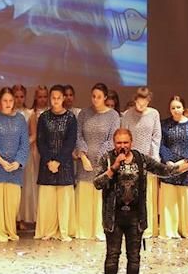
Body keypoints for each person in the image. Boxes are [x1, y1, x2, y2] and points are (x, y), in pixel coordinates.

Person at [94, 128, 188, 274]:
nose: (122, 146)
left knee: (134, 257)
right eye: (119, 143)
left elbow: (164, 170)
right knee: (112, 256)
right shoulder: (107, 159)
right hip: (113, 217)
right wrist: (113, 168)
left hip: (135, 217)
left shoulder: (141, 159)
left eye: (125, 142)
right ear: (114, 143)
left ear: (131, 143)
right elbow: (97, 183)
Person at [73, 83, 121, 241]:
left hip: (103, 162)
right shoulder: (84, 114)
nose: (95, 99)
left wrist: (100, 160)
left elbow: (111, 140)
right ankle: (84, 230)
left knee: (101, 196)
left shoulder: (113, 115)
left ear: (105, 97)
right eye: (93, 96)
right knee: (85, 196)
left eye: (99, 97)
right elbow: (78, 136)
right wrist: (83, 156)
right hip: (85, 162)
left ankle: (101, 230)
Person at [0, 87, 29, 242]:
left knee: (12, 204)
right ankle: (0, 233)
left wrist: (17, 162)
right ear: (0, 101)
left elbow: (24, 144)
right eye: (5, 100)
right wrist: (2, 161)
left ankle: (11, 231)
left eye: (10, 100)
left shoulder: (20, 119)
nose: (8, 103)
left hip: (14, 168)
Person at [35, 84, 78, 241]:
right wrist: (49, 161)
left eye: (59, 97)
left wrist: (58, 161)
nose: (56, 100)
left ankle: (64, 230)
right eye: (53, 97)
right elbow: (41, 141)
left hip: (64, 164)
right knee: (48, 199)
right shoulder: (44, 117)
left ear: (63, 98)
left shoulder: (71, 118)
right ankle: (48, 230)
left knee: (64, 199)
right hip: (47, 164)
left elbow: (70, 142)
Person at [119, 87, 162, 239]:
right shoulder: (127, 115)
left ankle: (146, 228)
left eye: (144, 104)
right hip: (131, 159)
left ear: (148, 101)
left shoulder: (154, 114)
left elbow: (156, 137)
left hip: (148, 159)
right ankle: (131, 226)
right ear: (135, 100)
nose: (141, 106)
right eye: (138, 103)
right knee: (130, 194)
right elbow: (123, 136)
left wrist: (154, 156)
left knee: (147, 194)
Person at [160, 95, 188, 239]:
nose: (176, 110)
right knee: (169, 200)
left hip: (186, 166)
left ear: (183, 108)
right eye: (173, 108)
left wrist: (183, 161)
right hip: (169, 167)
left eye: (178, 107)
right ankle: (170, 231)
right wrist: (169, 161)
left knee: (185, 200)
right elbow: (162, 145)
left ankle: (186, 231)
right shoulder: (164, 124)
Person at [18, 84, 48, 230]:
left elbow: (34, 135)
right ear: (35, 97)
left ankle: (38, 217)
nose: (42, 99)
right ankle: (23, 216)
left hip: (38, 151)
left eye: (44, 96)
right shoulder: (31, 112)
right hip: (27, 152)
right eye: (39, 96)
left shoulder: (41, 113)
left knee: (36, 184)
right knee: (26, 184)